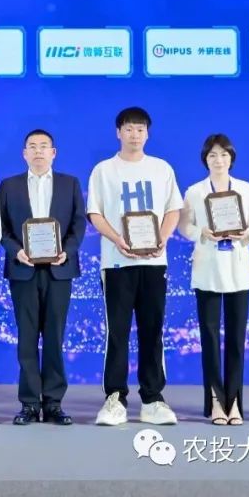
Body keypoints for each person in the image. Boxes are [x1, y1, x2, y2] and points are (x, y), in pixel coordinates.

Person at [87, 107, 182, 427]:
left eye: (140, 129)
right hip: (117, 262)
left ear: (148, 133)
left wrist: (162, 238)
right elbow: (95, 213)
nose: (134, 134)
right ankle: (115, 397)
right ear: (118, 132)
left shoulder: (161, 168)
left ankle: (153, 398)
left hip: (153, 261)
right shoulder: (104, 170)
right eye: (128, 129)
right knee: (117, 331)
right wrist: (117, 239)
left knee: (153, 330)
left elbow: (173, 209)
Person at [0, 129, 86, 426]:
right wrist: (16, 251)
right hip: (23, 269)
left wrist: (67, 252)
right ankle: (28, 403)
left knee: (54, 338)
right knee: (26, 339)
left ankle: (53, 403)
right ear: (24, 153)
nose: (38, 151)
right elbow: (1, 227)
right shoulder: (9, 186)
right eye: (32, 147)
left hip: (59, 270)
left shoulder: (69, 184)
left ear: (53, 152)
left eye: (43, 146)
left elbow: (78, 224)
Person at [179, 134, 249, 426]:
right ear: (205, 159)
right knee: (210, 337)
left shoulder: (246, 189)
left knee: (237, 339)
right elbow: (184, 224)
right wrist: (201, 233)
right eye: (213, 155)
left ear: (232, 158)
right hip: (208, 268)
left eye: (224, 155)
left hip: (238, 267)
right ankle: (216, 400)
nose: (218, 160)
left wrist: (247, 235)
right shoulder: (195, 191)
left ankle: (234, 401)